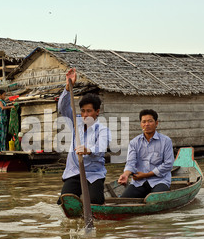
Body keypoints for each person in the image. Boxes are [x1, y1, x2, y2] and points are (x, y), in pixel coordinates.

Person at [58, 68, 111, 205]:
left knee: (95, 202)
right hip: (74, 172)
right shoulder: (76, 122)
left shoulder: (103, 130)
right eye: (83, 111)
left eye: (89, 111)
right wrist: (68, 87)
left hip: (93, 174)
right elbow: (63, 108)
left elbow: (101, 148)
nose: (85, 115)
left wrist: (88, 150)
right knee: (64, 202)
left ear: (97, 112)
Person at [118, 109, 174, 198]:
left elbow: (168, 164)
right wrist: (125, 175)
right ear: (141, 124)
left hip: (160, 180)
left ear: (156, 123)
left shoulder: (166, 141)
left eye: (150, 121)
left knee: (155, 200)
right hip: (139, 182)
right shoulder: (134, 142)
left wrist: (146, 175)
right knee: (124, 200)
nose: (146, 124)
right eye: (144, 122)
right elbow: (130, 162)